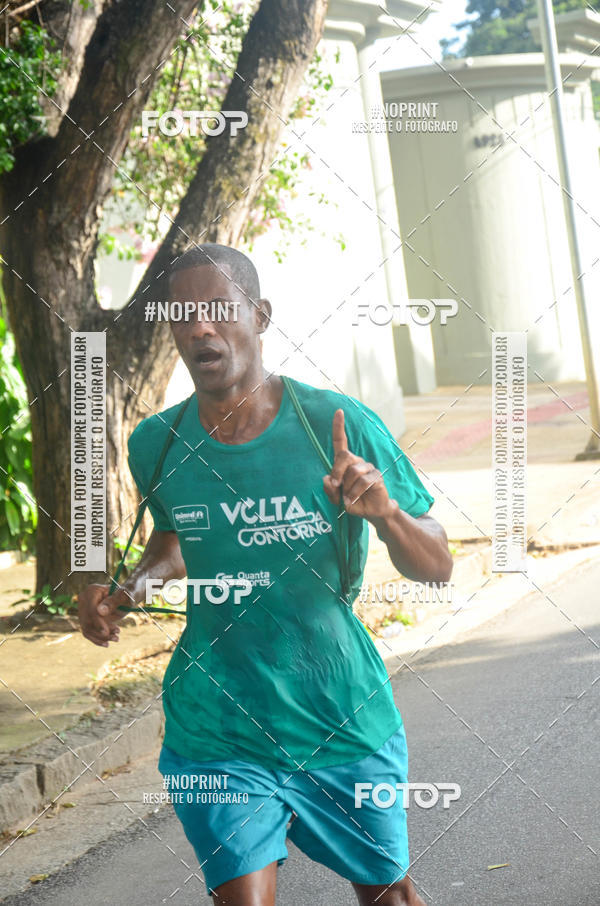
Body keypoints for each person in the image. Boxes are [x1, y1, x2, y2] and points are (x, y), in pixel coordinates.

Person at [78, 244, 453, 906]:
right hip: (217, 720)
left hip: (337, 711)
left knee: (388, 896)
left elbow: (438, 564)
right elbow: (178, 541)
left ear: (261, 315)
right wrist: (129, 592)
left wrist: (388, 515)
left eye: (218, 309)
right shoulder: (156, 444)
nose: (200, 327)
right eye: (183, 315)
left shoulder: (333, 425)